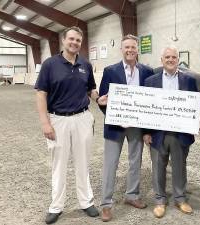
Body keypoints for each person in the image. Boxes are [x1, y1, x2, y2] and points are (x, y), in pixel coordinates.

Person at [35, 26, 102, 224]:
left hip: (82, 118)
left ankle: (86, 202)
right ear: (64, 40)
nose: (74, 43)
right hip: (58, 120)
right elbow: (41, 94)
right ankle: (56, 206)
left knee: (83, 162)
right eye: (71, 39)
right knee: (59, 165)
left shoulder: (85, 65)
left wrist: (99, 98)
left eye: (78, 40)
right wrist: (45, 123)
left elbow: (91, 90)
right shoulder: (50, 64)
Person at [97, 34, 154, 222]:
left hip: (137, 125)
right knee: (110, 164)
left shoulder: (147, 71)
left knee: (135, 161)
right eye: (126, 47)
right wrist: (112, 115)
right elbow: (102, 101)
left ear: (138, 49)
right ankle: (106, 204)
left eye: (133, 47)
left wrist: (147, 130)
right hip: (115, 125)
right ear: (121, 49)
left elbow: (151, 101)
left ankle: (132, 195)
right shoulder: (110, 71)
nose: (130, 50)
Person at [143, 46, 198, 218]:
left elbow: (194, 106)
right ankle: (160, 200)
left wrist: (192, 125)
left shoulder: (189, 80)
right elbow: (145, 108)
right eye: (167, 57)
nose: (170, 60)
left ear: (178, 59)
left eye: (174, 57)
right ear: (162, 60)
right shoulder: (150, 81)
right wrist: (146, 131)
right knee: (158, 166)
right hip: (157, 133)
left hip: (180, 133)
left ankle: (180, 198)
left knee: (179, 166)